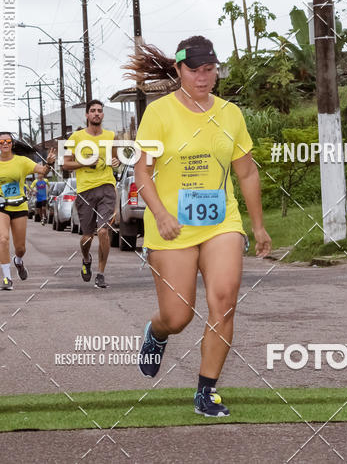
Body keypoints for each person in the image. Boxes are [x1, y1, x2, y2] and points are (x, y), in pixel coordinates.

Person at [129, 36, 271, 418]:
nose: (203, 77)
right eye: (194, 70)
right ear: (179, 70)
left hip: (221, 222)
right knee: (178, 316)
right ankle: (157, 332)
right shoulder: (159, 113)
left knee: (224, 301)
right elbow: (142, 172)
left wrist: (258, 226)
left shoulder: (230, 114)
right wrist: (160, 214)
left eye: (209, 70)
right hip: (171, 226)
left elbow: (247, 172)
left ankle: (206, 391)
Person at [0, 133, 54, 290]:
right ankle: (7, 278)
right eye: (1, 141)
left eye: (8, 141)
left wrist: (49, 163)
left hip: (19, 206)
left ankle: (18, 260)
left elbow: (42, 171)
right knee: (3, 239)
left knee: (20, 248)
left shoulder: (22, 161)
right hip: (0, 206)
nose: (5, 143)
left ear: (12, 144)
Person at [64, 100, 118, 289]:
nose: (96, 113)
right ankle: (86, 258)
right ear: (87, 115)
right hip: (85, 190)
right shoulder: (76, 137)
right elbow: (65, 164)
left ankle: (101, 273)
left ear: (102, 115)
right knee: (87, 236)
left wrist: (116, 162)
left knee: (103, 231)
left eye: (99, 111)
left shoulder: (111, 136)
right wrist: (85, 163)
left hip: (107, 187)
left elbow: (115, 159)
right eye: (93, 111)